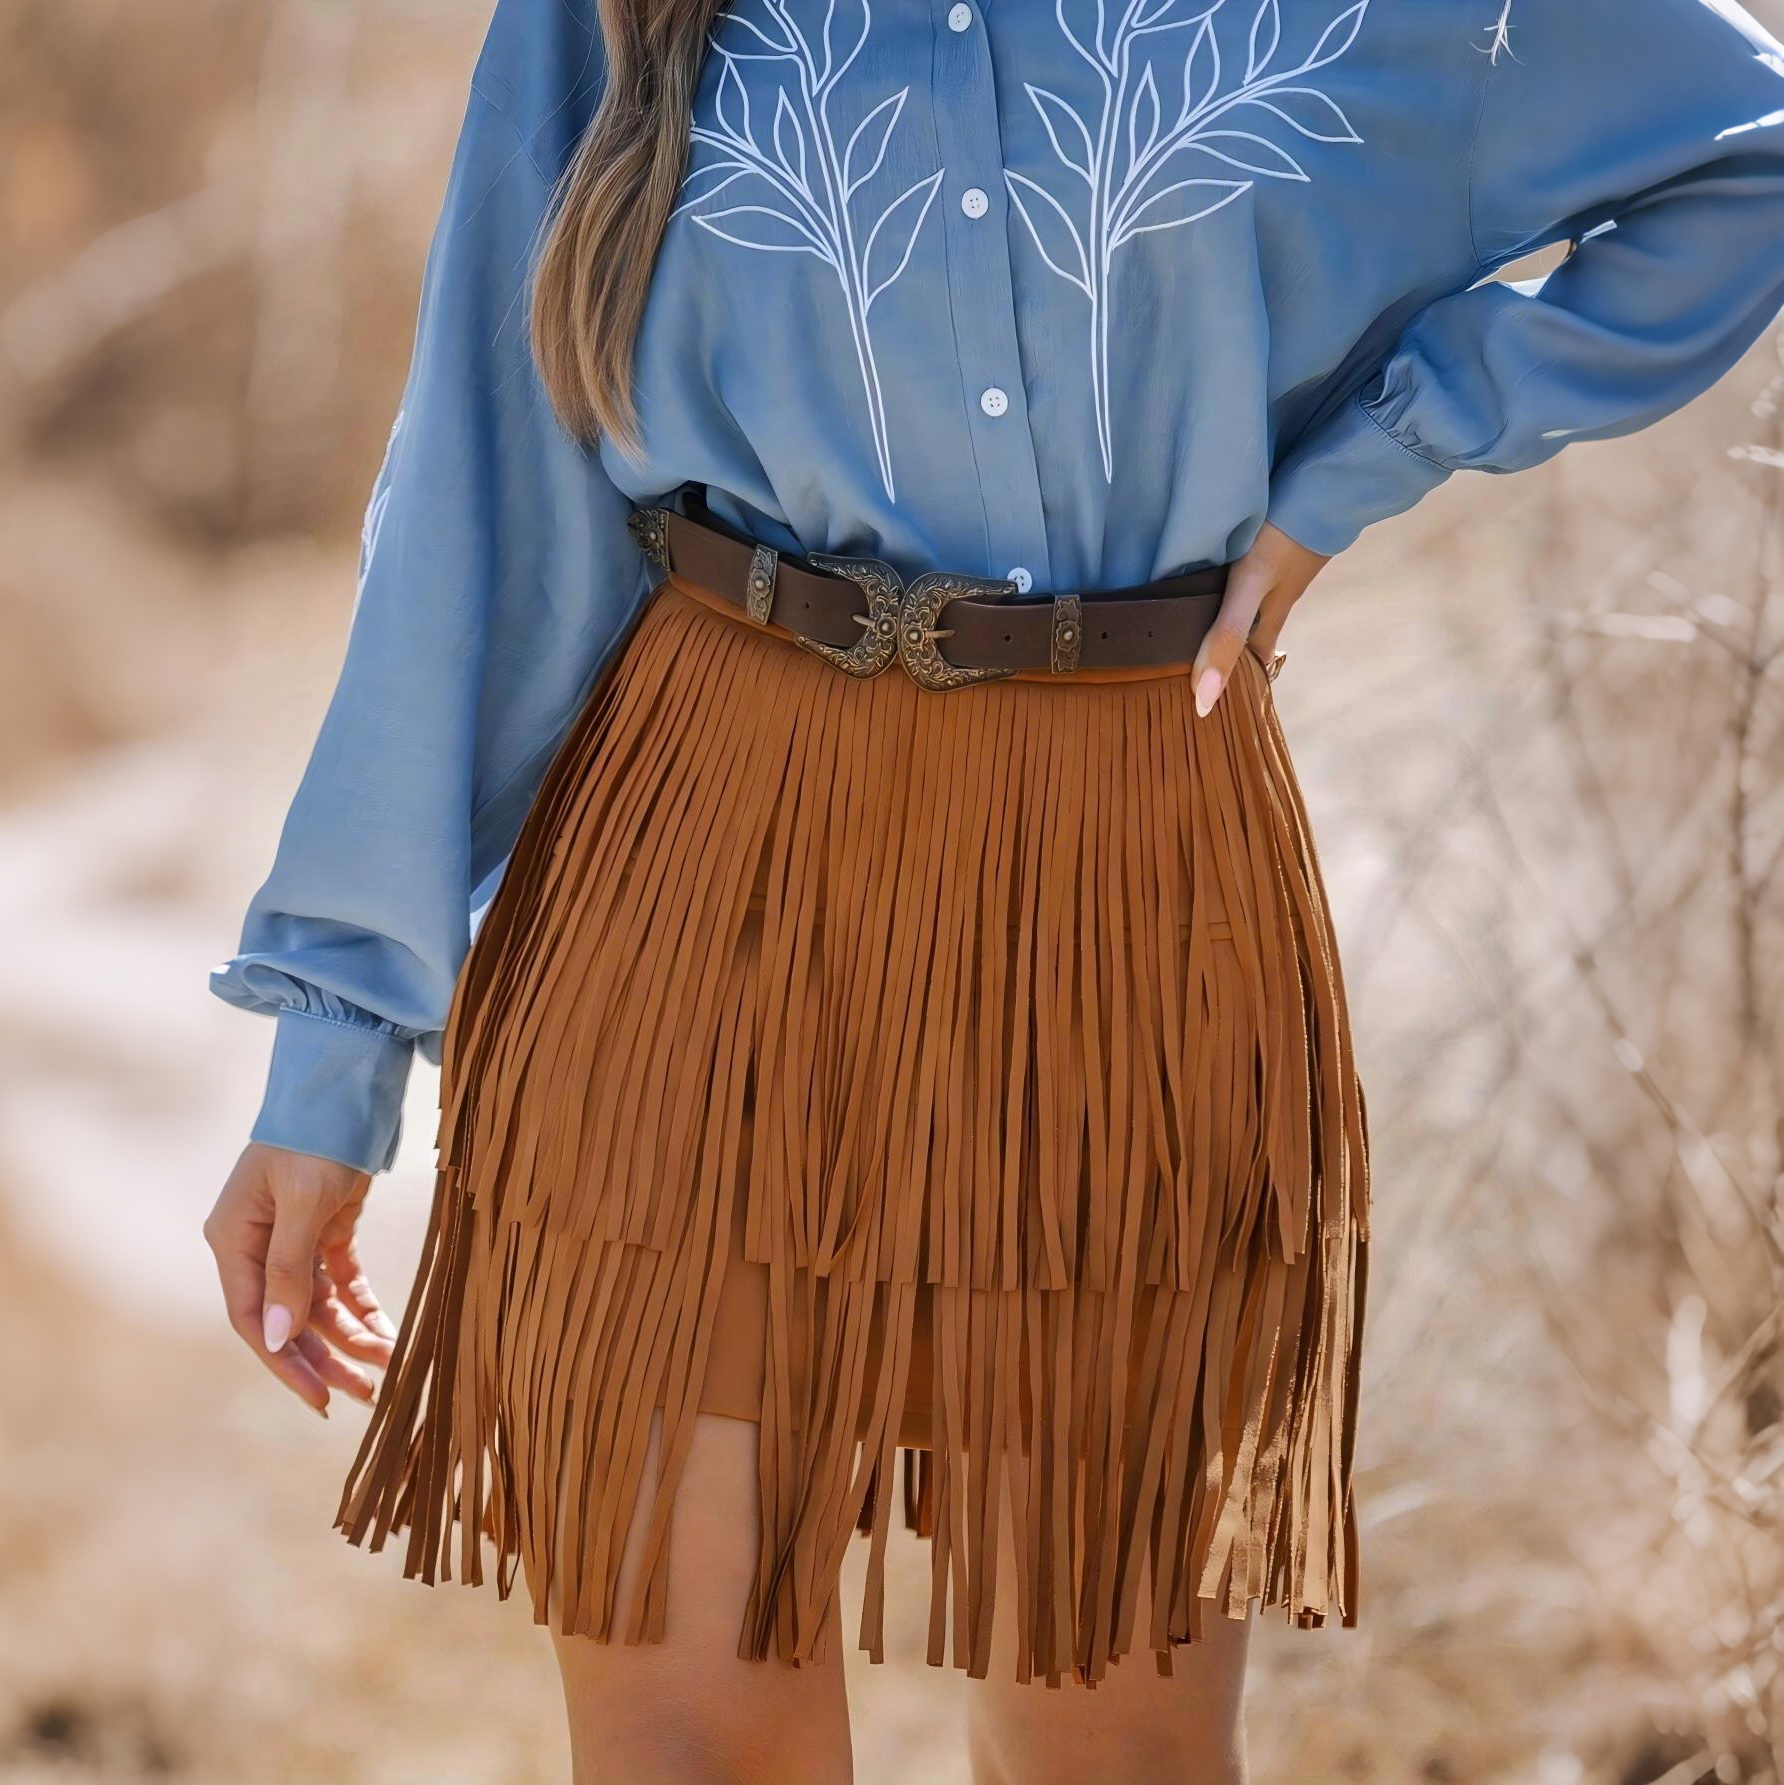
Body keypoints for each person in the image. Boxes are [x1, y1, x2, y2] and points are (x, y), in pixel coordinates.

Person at [202, 0, 1784, 1777]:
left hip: (1122, 881)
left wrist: (1379, 458)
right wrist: (333, 1047)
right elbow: (487, 492)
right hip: (697, 863)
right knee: (689, 1739)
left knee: (1111, 1746)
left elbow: (1746, 155)